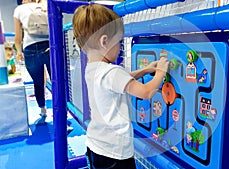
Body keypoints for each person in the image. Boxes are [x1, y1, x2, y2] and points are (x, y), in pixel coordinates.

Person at [72, 4, 169, 169]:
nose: (119, 48)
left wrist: (145, 70)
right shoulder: (111, 72)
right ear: (104, 42)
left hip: (95, 145)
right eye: (118, 42)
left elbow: (121, 82)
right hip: (115, 153)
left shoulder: (92, 68)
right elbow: (146, 92)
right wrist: (160, 72)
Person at [13, 0, 50, 116]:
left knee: (38, 82)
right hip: (50, 46)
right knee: (57, 81)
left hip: (30, 48)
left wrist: (19, 51)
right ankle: (62, 114)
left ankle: (43, 109)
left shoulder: (18, 10)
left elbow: (18, 38)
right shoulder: (43, 5)